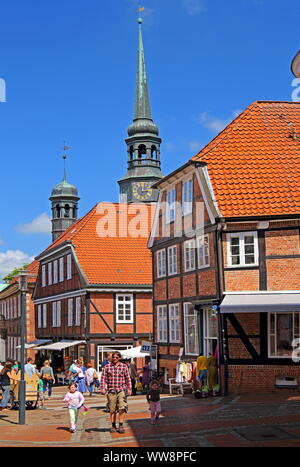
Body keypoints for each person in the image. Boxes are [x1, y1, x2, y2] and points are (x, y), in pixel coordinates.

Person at [100, 351, 132, 434]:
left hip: (121, 390)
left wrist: (129, 389)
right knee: (112, 409)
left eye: (116, 357)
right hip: (111, 390)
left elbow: (128, 378)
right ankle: (113, 425)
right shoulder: (107, 367)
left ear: (119, 358)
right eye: (113, 357)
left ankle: (121, 425)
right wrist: (102, 388)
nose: (114, 359)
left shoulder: (124, 366)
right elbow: (103, 378)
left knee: (122, 407)